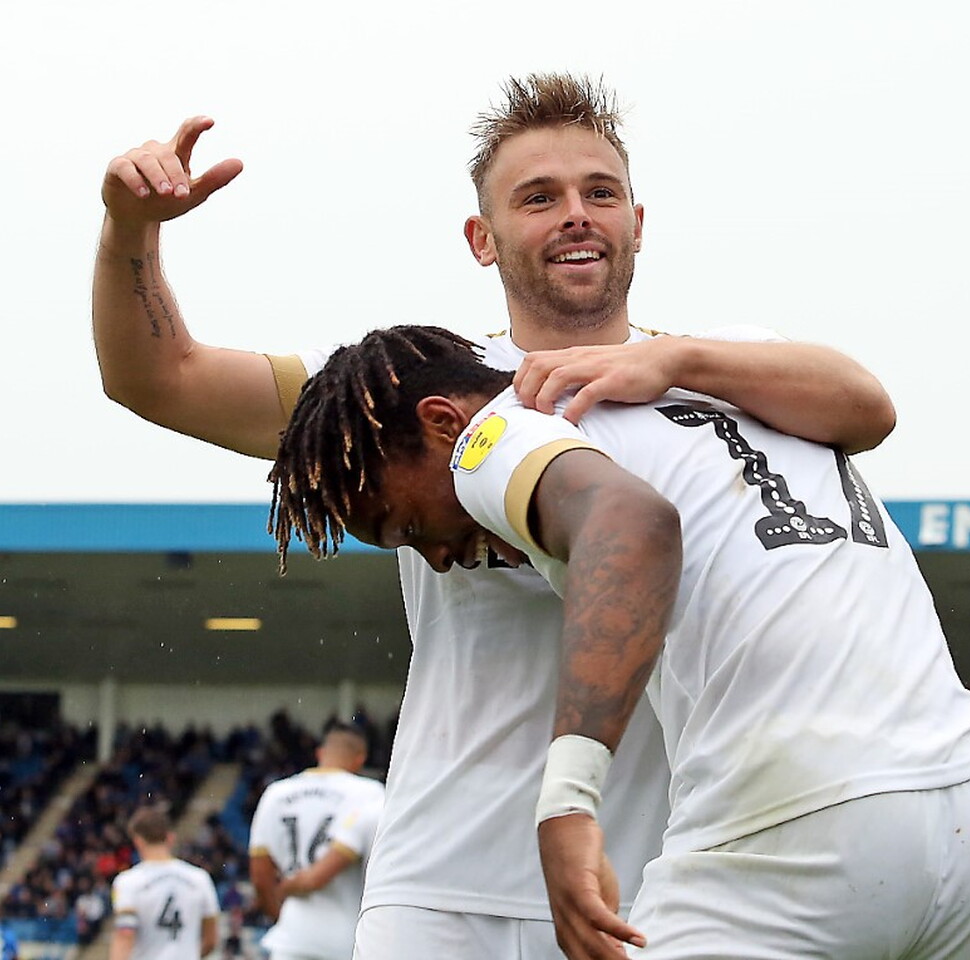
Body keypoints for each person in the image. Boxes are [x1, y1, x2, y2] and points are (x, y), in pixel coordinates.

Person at [93, 73, 898, 959]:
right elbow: (158, 379)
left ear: (638, 223)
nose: (576, 216)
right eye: (539, 198)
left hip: (638, 884)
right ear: (483, 239)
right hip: (437, 889)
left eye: (600, 193)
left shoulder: (709, 375)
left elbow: (866, 407)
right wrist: (131, 230)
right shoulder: (404, 391)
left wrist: (677, 361)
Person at [268, 323, 970, 960]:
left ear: (440, 422)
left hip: (800, 828)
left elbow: (632, 525)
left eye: (404, 526)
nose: (433, 557)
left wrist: (567, 800)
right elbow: (873, 410)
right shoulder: (731, 392)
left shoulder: (500, 430)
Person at [247, 724, 383, 960]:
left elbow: (260, 878)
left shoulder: (276, 793)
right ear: (360, 759)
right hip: (347, 940)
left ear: (320, 753)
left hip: (292, 938)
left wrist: (281, 916)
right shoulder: (371, 794)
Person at [108, 806, 219, 960]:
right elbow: (211, 939)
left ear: (138, 841)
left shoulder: (128, 882)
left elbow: (125, 935)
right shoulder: (200, 879)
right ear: (170, 838)